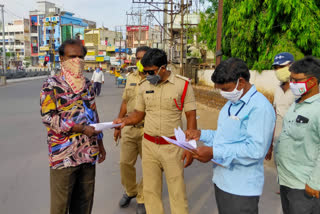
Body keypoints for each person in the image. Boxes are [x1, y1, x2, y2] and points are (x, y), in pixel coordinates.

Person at [185, 58, 276, 214]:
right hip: (222, 181)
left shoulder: (260, 108)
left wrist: (214, 152)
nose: (222, 93)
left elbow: (255, 150)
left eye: (225, 89)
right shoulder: (231, 103)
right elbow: (225, 137)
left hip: (242, 188)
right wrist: (201, 134)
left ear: (240, 82)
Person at [114, 48, 197, 214]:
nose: (147, 75)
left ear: (163, 68)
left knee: (177, 191)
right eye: (145, 72)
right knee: (151, 192)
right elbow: (138, 114)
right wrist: (125, 120)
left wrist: (190, 146)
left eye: (151, 72)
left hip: (172, 146)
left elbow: (191, 117)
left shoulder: (182, 85)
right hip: (149, 145)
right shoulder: (144, 86)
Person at [40, 39, 106, 214]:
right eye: (72, 56)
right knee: (60, 207)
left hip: (88, 153)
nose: (77, 60)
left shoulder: (88, 85)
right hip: (63, 157)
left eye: (80, 56)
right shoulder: (51, 85)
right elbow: (48, 118)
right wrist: (80, 128)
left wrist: (100, 144)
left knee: (84, 205)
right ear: (62, 58)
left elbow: (94, 114)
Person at [275, 56, 320, 214]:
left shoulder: (317, 109)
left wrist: (315, 182)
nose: (292, 84)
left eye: (296, 80)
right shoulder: (297, 103)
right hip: (287, 181)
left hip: (304, 186)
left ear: (312, 81)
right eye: (291, 79)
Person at [114, 46, 150, 214]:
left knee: (149, 166)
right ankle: (131, 191)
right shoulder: (130, 78)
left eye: (143, 58)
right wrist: (118, 126)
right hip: (128, 128)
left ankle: (142, 196)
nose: (140, 61)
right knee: (124, 163)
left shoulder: (154, 79)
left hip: (147, 130)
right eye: (138, 58)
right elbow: (124, 102)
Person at [265, 52, 295, 160]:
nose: (279, 70)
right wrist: (270, 145)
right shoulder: (278, 88)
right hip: (279, 143)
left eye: (282, 67)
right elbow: (274, 117)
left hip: (296, 146)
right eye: (276, 68)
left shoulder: (301, 89)